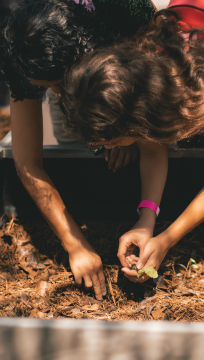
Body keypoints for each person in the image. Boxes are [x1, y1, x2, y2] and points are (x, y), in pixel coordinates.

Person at [0, 0, 157, 299]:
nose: (57, 95)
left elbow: (151, 92)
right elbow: (27, 161)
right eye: (48, 87)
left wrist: (128, 135)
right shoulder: (21, 47)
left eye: (60, 85)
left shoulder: (125, 13)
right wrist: (75, 244)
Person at [60, 1, 204, 283]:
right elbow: (151, 148)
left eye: (112, 141)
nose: (108, 149)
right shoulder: (143, 70)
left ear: (137, 122)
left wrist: (168, 239)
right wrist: (146, 221)